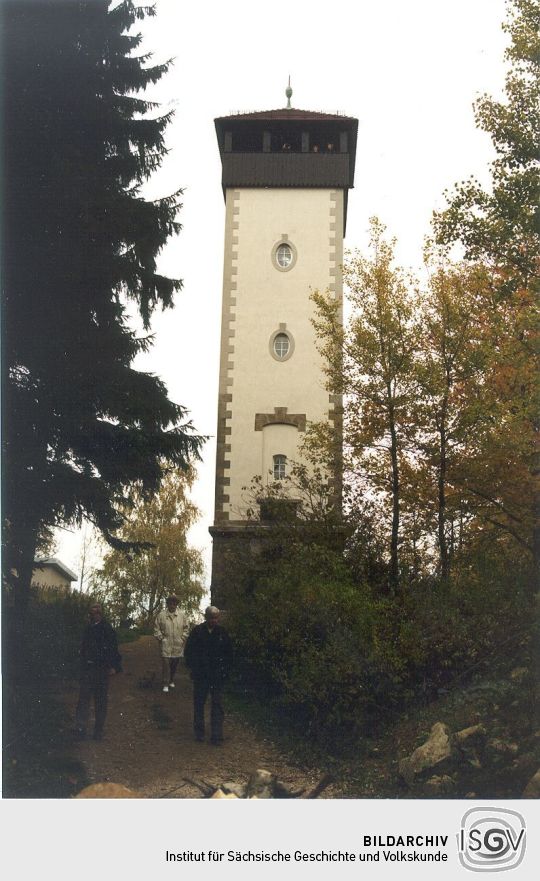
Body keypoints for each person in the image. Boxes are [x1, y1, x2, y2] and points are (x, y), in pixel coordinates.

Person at [184, 606, 233, 745]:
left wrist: (225, 671)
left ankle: (216, 736)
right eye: (211, 618)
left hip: (217, 676)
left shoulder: (223, 633)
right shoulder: (197, 632)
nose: (214, 621)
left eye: (216, 618)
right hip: (201, 675)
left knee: (217, 704)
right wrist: (194, 668)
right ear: (206, 617)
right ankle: (199, 733)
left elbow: (229, 654)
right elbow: (189, 652)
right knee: (199, 703)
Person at [74, 603, 122, 741]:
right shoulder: (87, 629)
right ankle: (80, 728)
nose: (94, 615)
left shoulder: (107, 629)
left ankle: (98, 731)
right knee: (83, 699)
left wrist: (113, 666)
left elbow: (113, 649)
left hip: (101, 670)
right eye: (91, 612)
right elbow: (83, 648)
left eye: (96, 612)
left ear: (100, 614)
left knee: (100, 701)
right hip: (88, 669)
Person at [154, 594, 186, 693]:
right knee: (166, 664)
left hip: (177, 644)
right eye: (170, 603)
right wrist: (161, 638)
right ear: (167, 604)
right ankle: (165, 683)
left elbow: (186, 628)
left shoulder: (182, 615)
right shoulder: (161, 615)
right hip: (166, 643)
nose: (172, 605)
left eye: (174, 603)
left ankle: (171, 679)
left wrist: (183, 638)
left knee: (174, 664)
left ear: (177, 604)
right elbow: (156, 628)